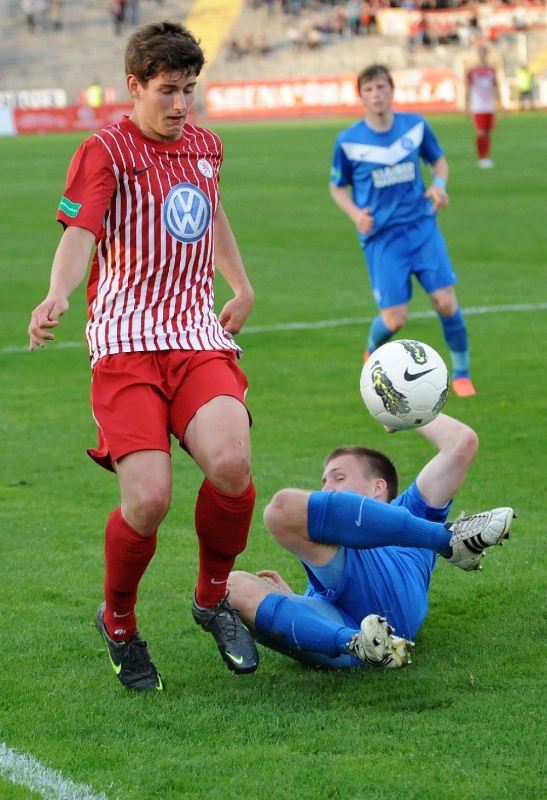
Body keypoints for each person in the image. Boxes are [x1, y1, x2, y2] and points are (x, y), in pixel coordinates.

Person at [28, 21, 259, 691]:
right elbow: (81, 233)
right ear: (134, 86)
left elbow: (212, 213)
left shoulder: (207, 148)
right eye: (167, 91)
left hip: (193, 334)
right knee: (149, 501)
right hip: (126, 343)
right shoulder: (104, 150)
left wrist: (239, 285)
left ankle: (212, 598)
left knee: (231, 461)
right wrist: (57, 294)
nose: (180, 105)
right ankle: (120, 622)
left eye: (189, 90)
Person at [227, 414, 515, 669]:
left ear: (378, 487)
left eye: (338, 478)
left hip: (392, 597)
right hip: (345, 636)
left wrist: (405, 413)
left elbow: (461, 444)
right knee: (230, 585)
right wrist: (289, 599)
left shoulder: (414, 509)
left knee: (282, 508)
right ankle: (360, 645)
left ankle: (447, 540)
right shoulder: (326, 542)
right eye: (324, 482)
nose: (326, 490)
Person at [329, 64, 476, 399]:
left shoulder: (416, 126)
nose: (376, 94)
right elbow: (337, 187)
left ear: (391, 90)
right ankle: (371, 351)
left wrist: (439, 185)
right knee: (395, 320)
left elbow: (439, 162)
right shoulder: (349, 142)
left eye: (381, 87)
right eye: (369, 89)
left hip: (421, 227)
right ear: (361, 96)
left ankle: (463, 373)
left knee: (446, 302)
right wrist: (355, 214)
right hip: (382, 238)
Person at [465, 44, 504, 168]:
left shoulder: (492, 70)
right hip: (478, 105)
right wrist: (467, 105)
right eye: (480, 53)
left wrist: (501, 105)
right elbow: (468, 88)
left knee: (487, 132)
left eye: (484, 53)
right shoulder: (472, 70)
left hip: (489, 105)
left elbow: (496, 87)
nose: (482, 55)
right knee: (480, 132)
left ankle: (486, 157)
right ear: (478, 55)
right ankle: (481, 158)